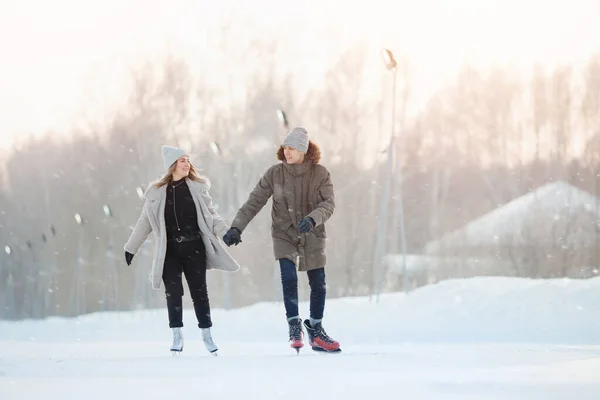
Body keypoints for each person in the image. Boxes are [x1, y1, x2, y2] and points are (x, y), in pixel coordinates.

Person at [222, 127, 340, 353]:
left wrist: (313, 219)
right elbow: (254, 201)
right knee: (288, 277)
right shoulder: (275, 174)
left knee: (318, 283)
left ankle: (316, 330)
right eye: (285, 147)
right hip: (284, 232)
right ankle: (294, 325)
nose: (287, 152)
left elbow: (329, 204)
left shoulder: (321, 174)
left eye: (292, 148)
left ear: (303, 150)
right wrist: (237, 227)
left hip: (312, 233)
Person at [124, 145, 240, 355]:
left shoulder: (197, 188)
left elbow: (212, 215)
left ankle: (207, 335)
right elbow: (144, 222)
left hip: (194, 247)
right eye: (182, 160)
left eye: (188, 160)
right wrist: (131, 247)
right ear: (172, 165)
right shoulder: (157, 193)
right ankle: (177, 336)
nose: (187, 164)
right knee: (173, 293)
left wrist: (226, 233)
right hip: (170, 251)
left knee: (199, 292)